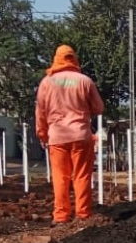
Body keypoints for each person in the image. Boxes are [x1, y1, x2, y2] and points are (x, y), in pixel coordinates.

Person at [35, 44, 104, 224]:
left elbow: (40, 112)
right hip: (81, 136)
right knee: (82, 175)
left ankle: (61, 216)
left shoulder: (46, 82)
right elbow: (99, 108)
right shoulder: (84, 81)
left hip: (57, 137)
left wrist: (43, 134)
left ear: (56, 58)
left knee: (60, 177)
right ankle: (83, 214)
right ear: (74, 58)